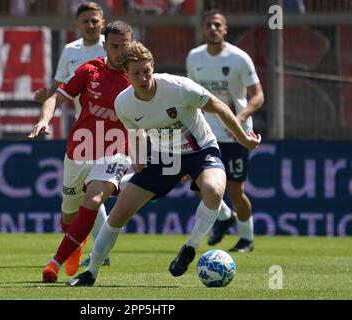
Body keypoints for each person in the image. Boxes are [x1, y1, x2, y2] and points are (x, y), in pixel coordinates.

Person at [66, 40, 261, 286]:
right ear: (126, 74)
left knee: (213, 191)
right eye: (136, 73)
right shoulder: (123, 103)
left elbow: (220, 107)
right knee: (118, 215)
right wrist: (139, 158)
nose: (143, 77)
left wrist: (243, 138)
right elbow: (135, 130)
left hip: (201, 151)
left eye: (147, 71)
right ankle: (91, 273)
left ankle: (190, 248)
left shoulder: (179, 87)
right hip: (163, 157)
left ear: (153, 67)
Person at [28, 20, 134, 283]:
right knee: (68, 217)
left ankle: (54, 263)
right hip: (80, 149)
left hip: (114, 151)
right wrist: (44, 120)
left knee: (95, 199)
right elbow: (55, 97)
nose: (120, 52)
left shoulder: (137, 77)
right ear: (105, 46)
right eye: (114, 46)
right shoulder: (89, 71)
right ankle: (75, 244)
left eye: (125, 46)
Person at [34, 2, 110, 268]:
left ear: (103, 22)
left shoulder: (113, 48)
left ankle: (101, 249)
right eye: (86, 21)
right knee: (77, 202)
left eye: (95, 20)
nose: (91, 25)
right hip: (86, 132)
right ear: (77, 25)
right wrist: (47, 100)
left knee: (95, 189)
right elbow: (60, 88)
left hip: (115, 132)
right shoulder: (71, 51)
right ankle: (93, 245)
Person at [186, 9, 265, 252]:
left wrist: (238, 118)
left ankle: (247, 238)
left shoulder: (239, 58)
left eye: (217, 25)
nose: (213, 29)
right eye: (209, 24)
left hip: (235, 134)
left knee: (234, 189)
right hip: (204, 133)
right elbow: (191, 95)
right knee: (201, 185)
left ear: (225, 29)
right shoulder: (194, 57)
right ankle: (224, 217)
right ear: (203, 29)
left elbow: (258, 96)